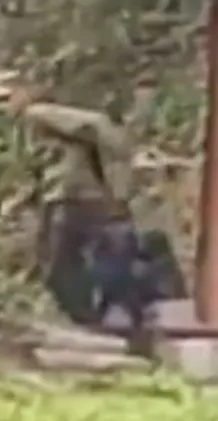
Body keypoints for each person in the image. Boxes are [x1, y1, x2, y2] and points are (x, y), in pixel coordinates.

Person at [0, 74, 160, 341]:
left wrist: (121, 165)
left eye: (6, 98)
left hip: (76, 197)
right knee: (68, 265)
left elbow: (97, 125)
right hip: (65, 197)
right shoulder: (27, 127)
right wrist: (19, 203)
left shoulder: (39, 113)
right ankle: (102, 320)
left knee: (60, 267)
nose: (4, 107)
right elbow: (44, 168)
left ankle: (94, 322)